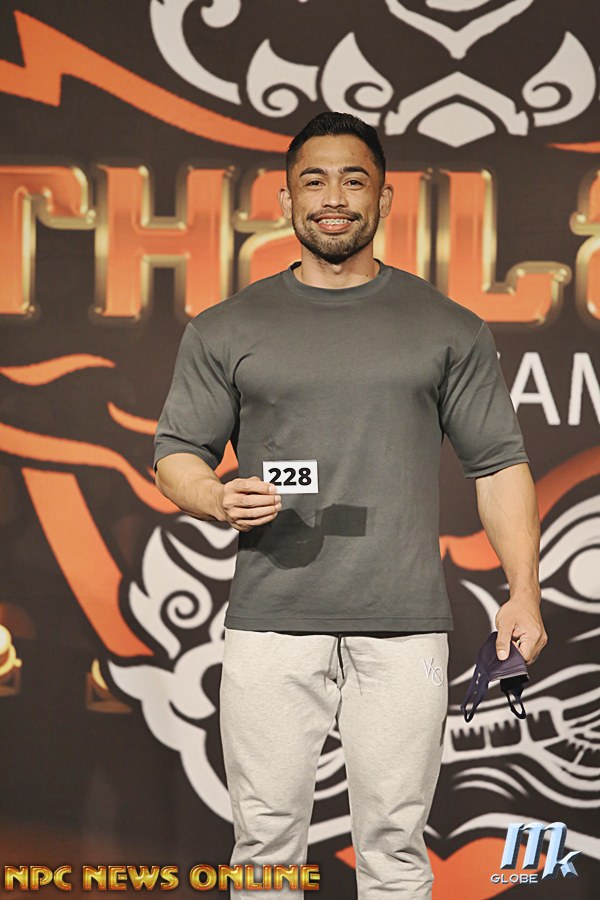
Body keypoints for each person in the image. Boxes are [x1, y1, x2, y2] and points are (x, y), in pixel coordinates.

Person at [153, 112, 547, 899]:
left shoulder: (448, 328)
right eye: (314, 180)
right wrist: (216, 497)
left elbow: (498, 464)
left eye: (353, 180)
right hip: (270, 622)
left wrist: (525, 592)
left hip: (404, 625)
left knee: (395, 847)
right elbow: (176, 457)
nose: (333, 197)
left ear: (385, 199)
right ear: (286, 200)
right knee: (266, 846)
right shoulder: (228, 327)